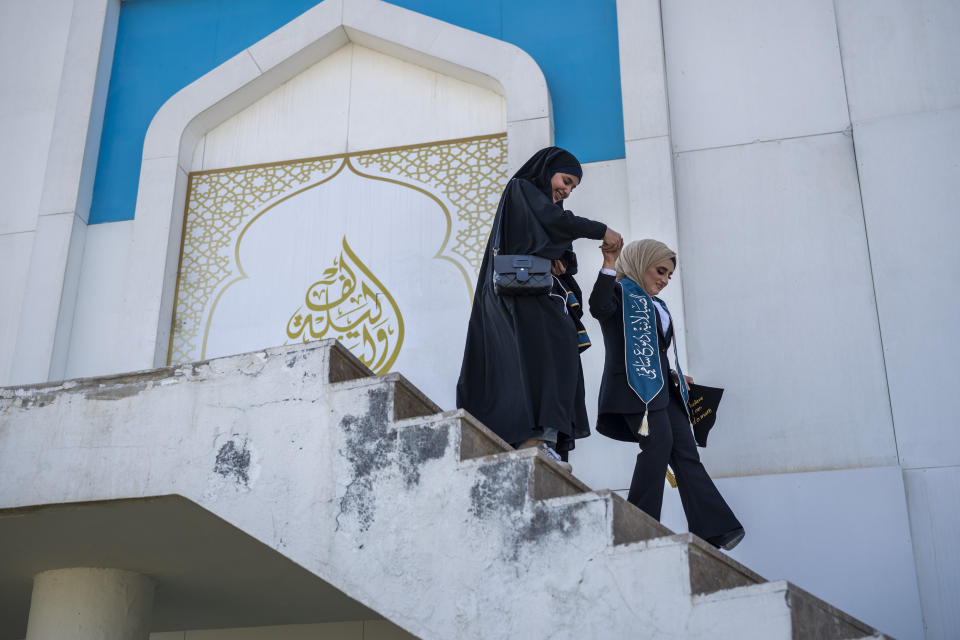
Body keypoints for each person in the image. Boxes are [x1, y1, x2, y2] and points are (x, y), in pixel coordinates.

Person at [456, 147, 622, 464]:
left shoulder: (541, 205)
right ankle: (535, 438)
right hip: (516, 296)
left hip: (536, 295)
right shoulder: (523, 189)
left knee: (558, 355)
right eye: (566, 180)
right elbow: (553, 220)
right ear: (548, 170)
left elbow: (553, 241)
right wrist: (601, 230)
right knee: (549, 352)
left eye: (573, 187)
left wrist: (561, 260)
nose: (567, 190)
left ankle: (543, 438)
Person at [588, 239, 745, 550]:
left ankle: (714, 529)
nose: (664, 280)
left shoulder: (655, 305)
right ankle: (636, 528)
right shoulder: (619, 294)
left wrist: (674, 373)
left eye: (669, 275)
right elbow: (598, 307)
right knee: (657, 446)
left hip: (664, 388)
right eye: (660, 270)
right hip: (634, 388)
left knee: (686, 451)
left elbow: (657, 350)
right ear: (639, 262)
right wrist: (609, 264)